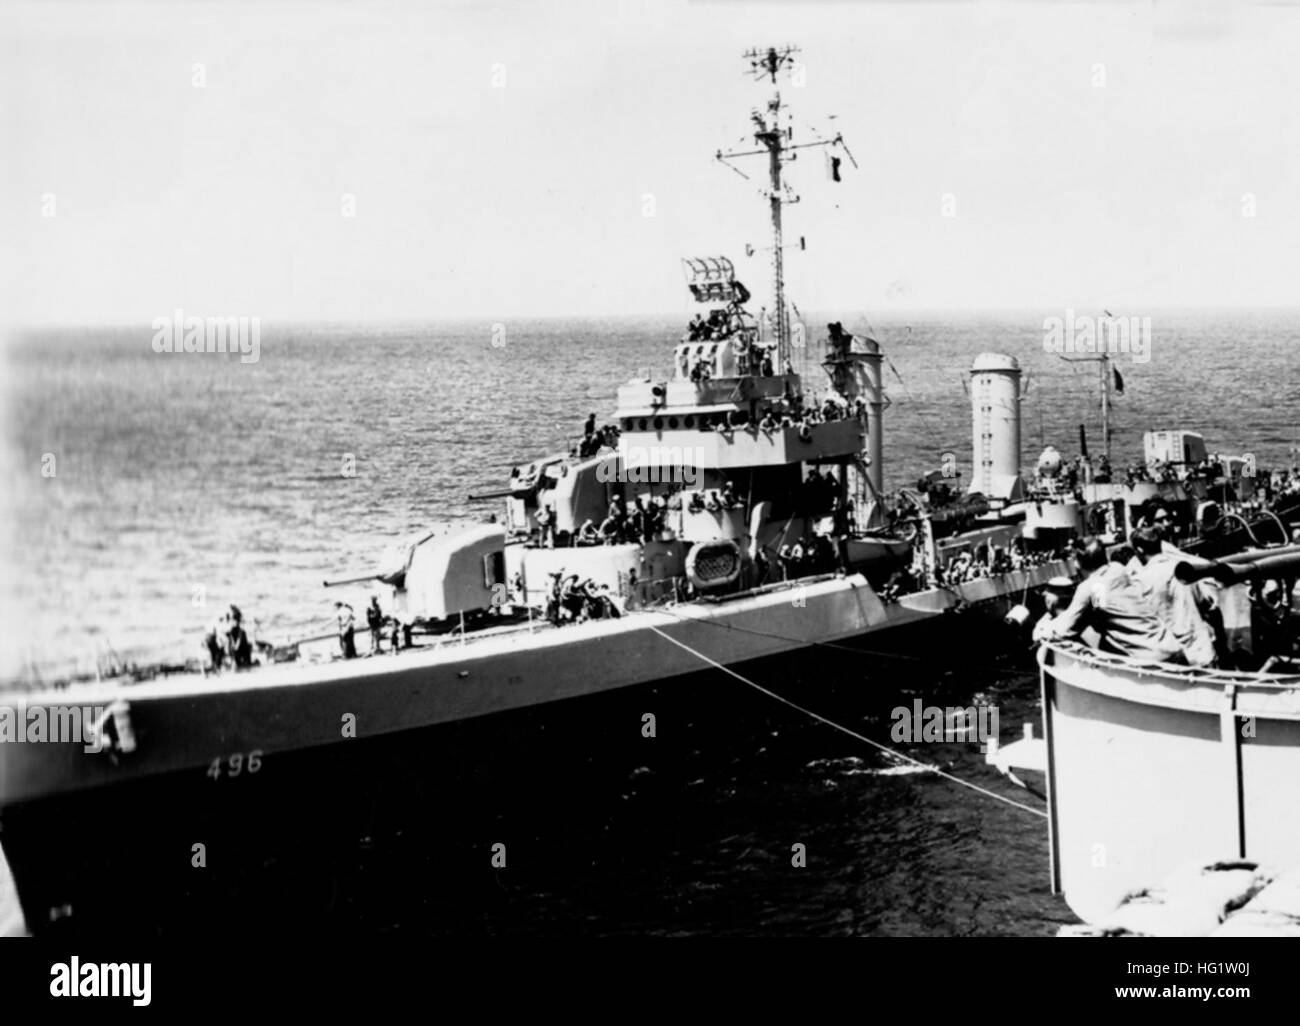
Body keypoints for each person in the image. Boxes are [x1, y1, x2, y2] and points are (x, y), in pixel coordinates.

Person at [1037, 538, 1185, 664]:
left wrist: (1043, 628)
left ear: (1077, 564)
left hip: (1153, 661)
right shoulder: (1117, 569)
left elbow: (1063, 631)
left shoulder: (1090, 588)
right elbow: (1101, 609)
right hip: (1172, 647)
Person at [1131, 528, 1217, 667]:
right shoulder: (1188, 569)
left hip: (1176, 657)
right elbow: (1208, 602)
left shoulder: (1141, 581)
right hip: (1203, 650)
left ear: (1139, 550)